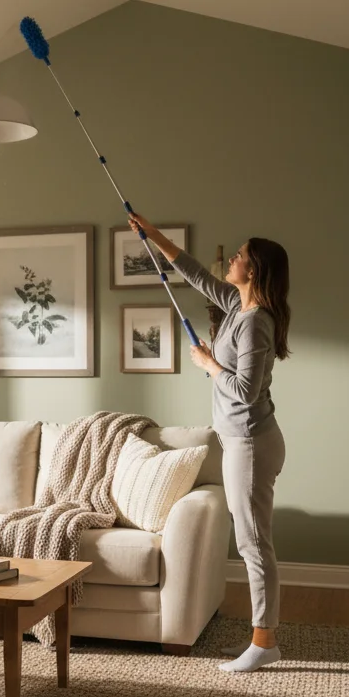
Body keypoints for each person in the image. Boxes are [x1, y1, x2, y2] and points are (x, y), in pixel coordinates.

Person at [128, 213, 291, 673]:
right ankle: (262, 638)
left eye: (239, 255)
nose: (233, 259)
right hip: (242, 441)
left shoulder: (255, 322)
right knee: (251, 540)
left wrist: (207, 363)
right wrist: (151, 235)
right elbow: (196, 274)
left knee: (254, 544)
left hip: (252, 445)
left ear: (253, 270)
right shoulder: (239, 306)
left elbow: (245, 390)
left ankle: (264, 642)